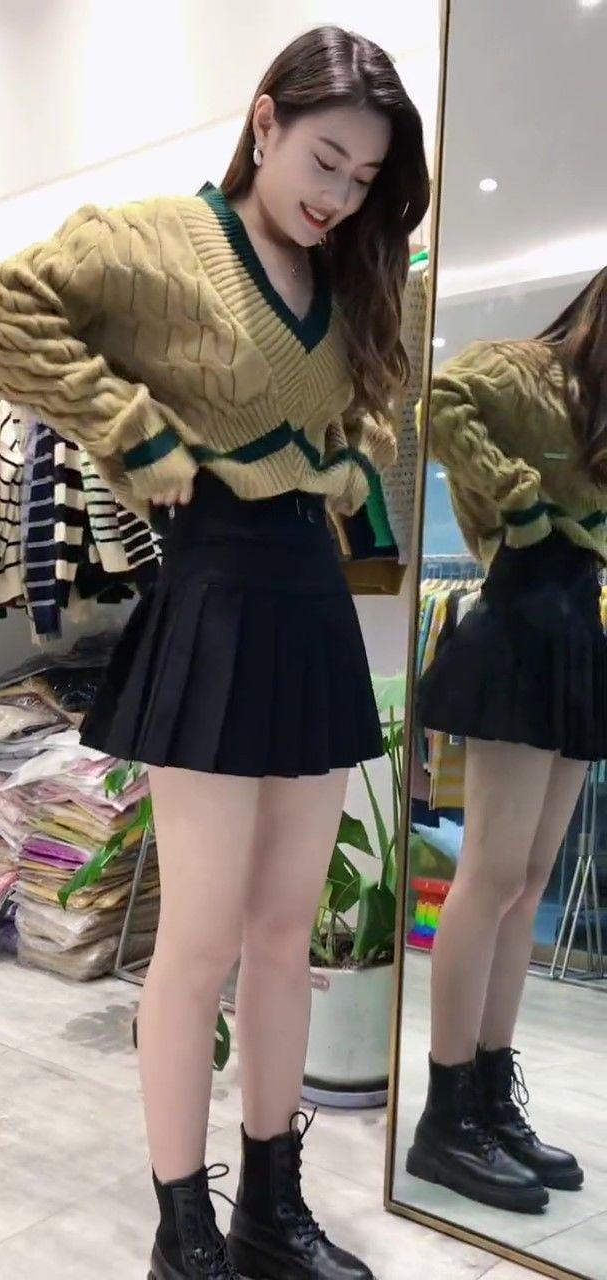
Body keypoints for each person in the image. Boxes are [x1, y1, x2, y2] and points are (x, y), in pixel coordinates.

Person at [0, 24, 429, 1280]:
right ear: (265, 120)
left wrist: (346, 457)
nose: (340, 198)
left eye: (364, 179)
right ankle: (184, 1233)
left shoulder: (350, 278)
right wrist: (128, 425)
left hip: (311, 603)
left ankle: (273, 1208)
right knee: (202, 937)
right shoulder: (162, 241)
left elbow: (366, 410)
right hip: (213, 594)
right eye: (325, 161)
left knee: (285, 933)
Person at [410, 266, 607, 1214]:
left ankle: (489, 1096)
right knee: (490, 879)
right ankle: (445, 1117)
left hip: (573, 631)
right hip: (522, 627)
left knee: (526, 884)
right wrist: (520, 503)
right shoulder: (529, 370)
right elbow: (441, 402)